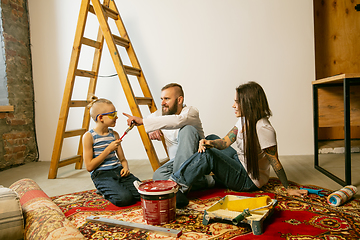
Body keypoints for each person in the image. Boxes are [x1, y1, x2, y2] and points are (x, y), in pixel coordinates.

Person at [170, 81, 308, 208]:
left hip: (249, 180)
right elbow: (225, 142)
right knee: (211, 139)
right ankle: (200, 177)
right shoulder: (244, 119)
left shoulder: (263, 128)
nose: (233, 105)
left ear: (249, 103)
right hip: (240, 163)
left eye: (237, 102)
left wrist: (288, 187)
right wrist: (209, 142)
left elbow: (275, 161)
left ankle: (175, 187)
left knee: (209, 155)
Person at [123, 83, 214, 189]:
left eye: (166, 99)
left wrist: (145, 122)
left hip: (196, 162)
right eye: (161, 98)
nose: (162, 103)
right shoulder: (161, 114)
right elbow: (151, 120)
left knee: (187, 129)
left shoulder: (191, 112)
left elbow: (178, 121)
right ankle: (208, 181)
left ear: (179, 100)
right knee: (158, 176)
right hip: (175, 163)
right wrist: (151, 129)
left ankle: (180, 188)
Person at [82, 97, 140, 207]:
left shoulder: (115, 135)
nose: (116, 117)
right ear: (100, 118)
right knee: (125, 199)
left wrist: (125, 168)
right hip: (101, 174)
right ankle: (104, 190)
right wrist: (108, 149)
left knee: (142, 192)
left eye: (116, 113)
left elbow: (122, 159)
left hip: (118, 171)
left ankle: (114, 188)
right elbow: (89, 167)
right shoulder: (89, 137)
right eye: (112, 114)